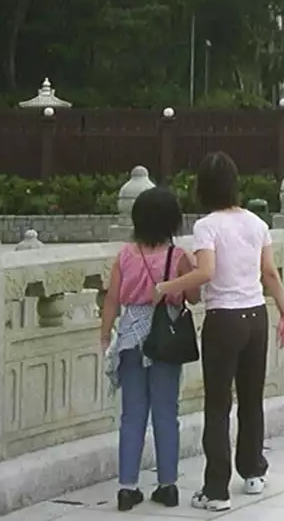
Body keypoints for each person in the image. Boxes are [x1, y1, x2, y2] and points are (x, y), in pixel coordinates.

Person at [154, 152, 284, 512]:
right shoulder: (255, 223)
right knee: (251, 399)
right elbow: (270, 274)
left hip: (224, 320)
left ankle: (216, 490)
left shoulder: (207, 226)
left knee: (218, 405)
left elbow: (206, 273)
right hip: (256, 317)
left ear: (203, 187)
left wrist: (166, 287)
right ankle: (253, 471)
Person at [99, 187, 195, 511]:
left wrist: (104, 335)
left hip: (130, 338)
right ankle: (167, 485)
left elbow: (112, 298)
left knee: (132, 415)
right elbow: (194, 296)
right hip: (165, 337)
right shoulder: (178, 256)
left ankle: (127, 488)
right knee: (167, 413)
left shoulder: (125, 255)